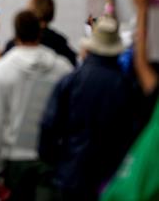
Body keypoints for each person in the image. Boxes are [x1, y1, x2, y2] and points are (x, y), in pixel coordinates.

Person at [38, 16, 139, 201]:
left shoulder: (71, 81)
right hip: (111, 177)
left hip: (72, 173)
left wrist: (56, 162)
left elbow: (49, 126)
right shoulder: (127, 87)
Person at [0, 10, 73, 201]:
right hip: (51, 155)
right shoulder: (63, 68)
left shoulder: (0, 70)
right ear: (40, 32)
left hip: (14, 158)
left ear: (15, 34)